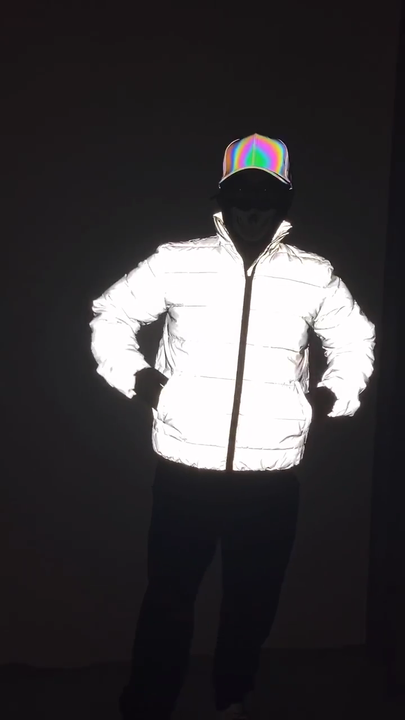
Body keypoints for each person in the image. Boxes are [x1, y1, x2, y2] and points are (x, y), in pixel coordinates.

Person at [90, 133, 375, 719]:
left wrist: (329, 397)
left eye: (266, 197)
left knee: (252, 602)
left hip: (270, 477)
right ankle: (147, 706)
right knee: (169, 601)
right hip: (184, 470)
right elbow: (112, 314)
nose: (252, 209)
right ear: (223, 198)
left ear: (284, 202)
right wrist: (139, 380)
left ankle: (232, 700)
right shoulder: (177, 261)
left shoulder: (314, 276)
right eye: (241, 195)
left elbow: (355, 340)